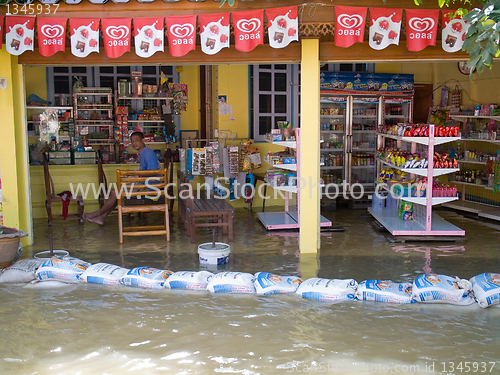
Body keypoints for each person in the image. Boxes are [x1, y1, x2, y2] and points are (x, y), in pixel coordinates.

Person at [83, 131, 161, 225]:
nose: (134, 143)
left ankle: (97, 214)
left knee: (114, 192)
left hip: (150, 188)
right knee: (116, 192)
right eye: (132, 141)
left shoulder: (148, 153)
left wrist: (136, 175)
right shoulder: (144, 152)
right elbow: (144, 171)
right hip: (145, 185)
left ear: (143, 140)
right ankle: (101, 217)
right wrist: (134, 174)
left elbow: (153, 172)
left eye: (136, 140)